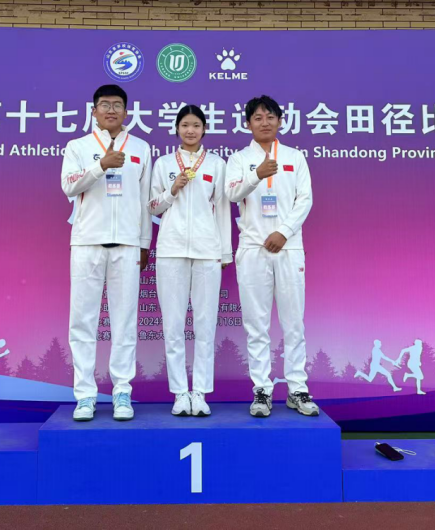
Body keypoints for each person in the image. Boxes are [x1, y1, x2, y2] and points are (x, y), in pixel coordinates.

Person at [61, 84, 152, 421]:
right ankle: (85, 395)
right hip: (87, 242)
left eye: (117, 105)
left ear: (127, 111)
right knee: (82, 321)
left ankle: (122, 392)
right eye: (104, 104)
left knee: (124, 321)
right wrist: (101, 165)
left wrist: (144, 243)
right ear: (94, 111)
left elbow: (145, 202)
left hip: (127, 245)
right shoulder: (78, 146)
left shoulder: (141, 148)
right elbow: (69, 185)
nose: (111, 110)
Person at [225, 95, 318, 417]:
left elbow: (304, 200)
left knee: (293, 323)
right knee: (256, 324)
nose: (264, 122)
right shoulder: (239, 159)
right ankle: (262, 390)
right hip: (253, 248)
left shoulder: (295, 157)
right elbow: (231, 194)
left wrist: (284, 232)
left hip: (288, 247)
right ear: (248, 124)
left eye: (270, 117)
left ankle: (297, 389)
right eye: (258, 118)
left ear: (280, 121)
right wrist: (256, 174)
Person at [149, 105, 232, 417]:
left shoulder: (216, 164)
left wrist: (225, 252)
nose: (190, 130)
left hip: (207, 251)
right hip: (171, 250)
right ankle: (180, 393)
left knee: (205, 324)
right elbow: (152, 207)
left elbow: (223, 209)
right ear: (177, 129)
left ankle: (200, 392)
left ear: (204, 129)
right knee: (173, 324)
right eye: (185, 125)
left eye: (196, 125)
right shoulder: (163, 163)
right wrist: (171, 191)